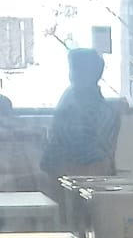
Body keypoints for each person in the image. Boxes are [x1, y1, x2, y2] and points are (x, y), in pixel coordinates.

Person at [41, 48, 123, 186]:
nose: (71, 75)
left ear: (88, 74)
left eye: (75, 70)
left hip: (82, 175)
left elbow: (82, 151)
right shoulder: (72, 97)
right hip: (66, 171)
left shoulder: (93, 110)